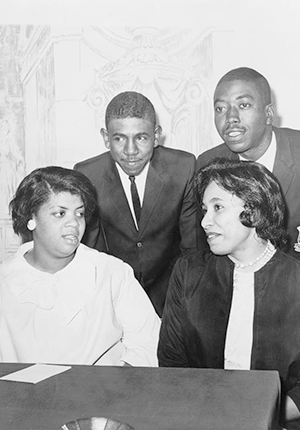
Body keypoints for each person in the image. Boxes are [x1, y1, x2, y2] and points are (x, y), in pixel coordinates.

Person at [158, 158, 300, 428]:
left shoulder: (296, 281)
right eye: (204, 210)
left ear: (254, 211)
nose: (204, 222)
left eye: (218, 208)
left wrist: (259, 417)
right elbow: (172, 363)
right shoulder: (188, 272)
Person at [0, 166, 160, 367]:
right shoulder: (6, 280)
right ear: (31, 218)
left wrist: (116, 384)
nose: (74, 223)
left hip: (103, 394)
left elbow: (148, 341)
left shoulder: (111, 273)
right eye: (60, 213)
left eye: (79, 214)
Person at [74, 91, 197, 317]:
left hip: (173, 296)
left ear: (156, 135)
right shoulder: (87, 174)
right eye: (119, 138)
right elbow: (89, 250)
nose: (131, 151)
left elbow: (191, 249)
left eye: (141, 137)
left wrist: (183, 307)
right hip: (113, 299)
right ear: (105, 137)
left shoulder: (183, 167)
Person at [196, 67, 300, 259]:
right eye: (220, 108)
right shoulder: (209, 164)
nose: (230, 118)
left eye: (243, 105)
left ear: (269, 114)